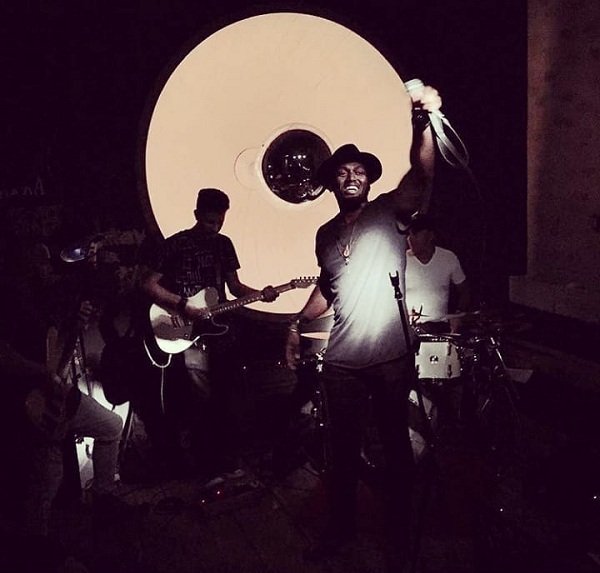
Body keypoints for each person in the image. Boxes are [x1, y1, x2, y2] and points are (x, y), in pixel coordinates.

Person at [285, 83, 442, 570]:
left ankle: (399, 540)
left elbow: (422, 173)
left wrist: (421, 123)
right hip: (342, 362)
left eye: (358, 171)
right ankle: (340, 532)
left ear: (369, 181)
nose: (351, 177)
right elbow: (328, 288)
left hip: (391, 356)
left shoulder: (390, 210)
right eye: (342, 172)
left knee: (395, 449)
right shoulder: (325, 234)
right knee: (342, 452)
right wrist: (295, 323)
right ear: (332, 183)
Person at [0, 239, 125, 571]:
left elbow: (56, 346)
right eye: (40, 262)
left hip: (56, 395)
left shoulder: (42, 300)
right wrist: (43, 372)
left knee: (110, 426)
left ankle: (103, 501)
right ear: (23, 265)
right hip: (28, 403)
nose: (47, 268)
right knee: (45, 481)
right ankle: (37, 550)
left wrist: (77, 322)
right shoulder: (9, 302)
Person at [139, 187, 279, 477]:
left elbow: (234, 287)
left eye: (219, 222)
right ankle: (201, 461)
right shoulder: (174, 244)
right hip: (188, 332)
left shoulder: (224, 245)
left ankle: (227, 459)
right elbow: (148, 284)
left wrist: (261, 293)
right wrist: (182, 305)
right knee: (200, 397)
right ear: (196, 214)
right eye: (209, 221)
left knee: (229, 395)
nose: (214, 227)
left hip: (222, 332)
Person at [405, 213, 470, 334]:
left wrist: (458, 314)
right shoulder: (401, 260)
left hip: (439, 328)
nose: (410, 239)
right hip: (408, 329)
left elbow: (464, 291)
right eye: (409, 234)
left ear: (430, 236)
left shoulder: (448, 257)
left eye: (416, 234)